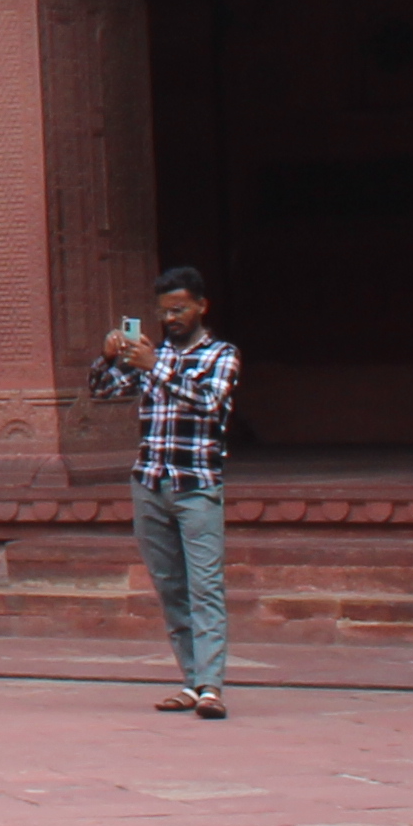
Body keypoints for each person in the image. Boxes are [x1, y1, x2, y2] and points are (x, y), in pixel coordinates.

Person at [94, 266, 241, 715]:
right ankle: (192, 682)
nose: (171, 318)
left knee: (205, 587)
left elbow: (207, 404)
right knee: (171, 588)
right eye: (163, 312)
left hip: (196, 486)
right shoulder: (150, 357)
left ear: (201, 306)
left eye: (179, 309)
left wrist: (154, 365)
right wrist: (109, 358)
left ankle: (212, 686)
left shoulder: (221, 354)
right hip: (151, 485)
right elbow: (103, 391)